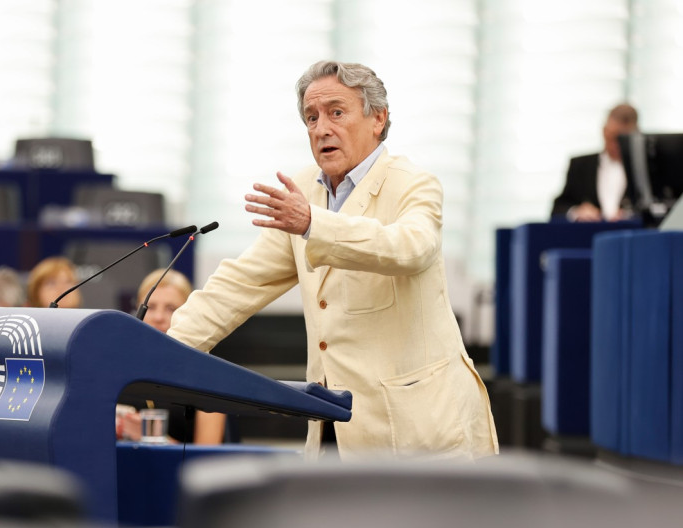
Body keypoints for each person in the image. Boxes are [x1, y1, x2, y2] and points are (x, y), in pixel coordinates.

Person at [166, 60, 498, 459]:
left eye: (336, 112)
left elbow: (411, 248)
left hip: (419, 429)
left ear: (378, 118)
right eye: (311, 117)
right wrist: (155, 350)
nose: (321, 128)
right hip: (334, 428)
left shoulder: (413, 183)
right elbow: (238, 286)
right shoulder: (304, 191)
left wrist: (313, 224)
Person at [117, 269, 227, 445]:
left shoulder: (209, 375)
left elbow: (206, 462)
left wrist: (151, 438)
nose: (159, 317)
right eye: (150, 307)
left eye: (171, 308)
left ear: (189, 313)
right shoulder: (119, 367)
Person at [551, 103, 639, 222]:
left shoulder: (643, 170)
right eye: (612, 137)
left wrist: (630, 215)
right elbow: (558, 208)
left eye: (622, 140)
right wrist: (576, 212)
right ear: (604, 131)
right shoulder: (580, 165)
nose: (616, 145)